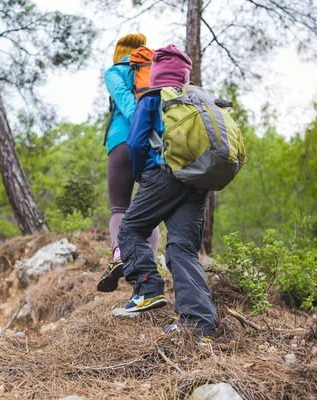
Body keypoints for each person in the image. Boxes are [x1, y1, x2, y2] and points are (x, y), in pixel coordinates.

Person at [117, 44, 219, 341]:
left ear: (157, 73)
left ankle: (148, 289)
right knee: (182, 250)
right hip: (197, 181)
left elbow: (136, 142)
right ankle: (200, 325)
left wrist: (141, 175)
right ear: (185, 75)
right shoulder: (198, 100)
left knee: (132, 229)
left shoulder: (151, 98)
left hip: (162, 175)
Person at [97, 33, 159, 293]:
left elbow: (124, 101)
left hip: (122, 141)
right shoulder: (153, 69)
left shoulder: (114, 70)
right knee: (151, 211)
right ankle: (150, 267)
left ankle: (120, 254)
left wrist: (136, 126)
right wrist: (148, 130)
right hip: (153, 142)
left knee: (119, 208)